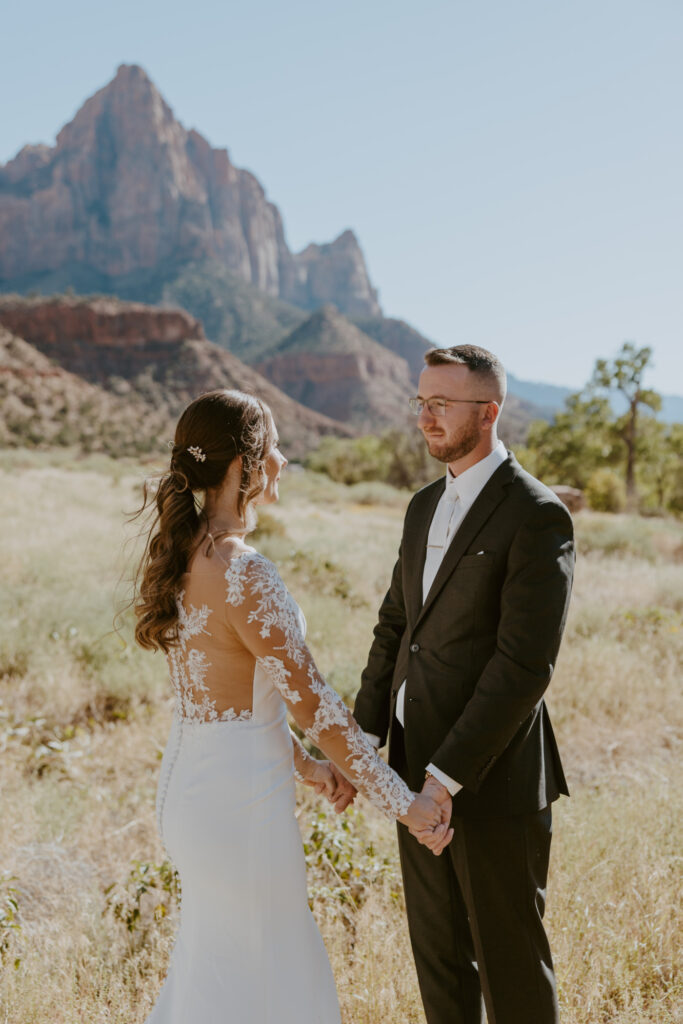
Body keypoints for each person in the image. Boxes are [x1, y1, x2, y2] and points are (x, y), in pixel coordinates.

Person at [133, 388, 453, 1024]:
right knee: (280, 980)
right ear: (245, 466)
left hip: (193, 789)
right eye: (273, 446)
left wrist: (308, 770)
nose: (282, 459)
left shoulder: (184, 553)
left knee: (217, 978)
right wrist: (407, 807)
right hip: (239, 808)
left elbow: (228, 702)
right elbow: (320, 710)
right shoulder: (244, 572)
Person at [352, 345, 575, 1024]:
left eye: (440, 404)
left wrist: (442, 779)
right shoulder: (421, 506)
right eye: (420, 402)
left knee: (509, 968)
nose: (425, 418)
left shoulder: (537, 514)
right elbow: (397, 626)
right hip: (409, 768)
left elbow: (522, 666)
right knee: (439, 962)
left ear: (488, 412)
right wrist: (362, 743)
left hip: (491, 778)